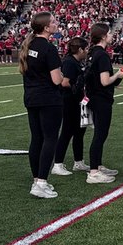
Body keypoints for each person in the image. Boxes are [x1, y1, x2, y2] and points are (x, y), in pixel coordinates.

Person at [18, 10, 63, 199]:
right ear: (46, 27)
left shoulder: (29, 45)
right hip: (48, 99)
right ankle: (41, 182)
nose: (56, 23)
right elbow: (56, 80)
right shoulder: (48, 48)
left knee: (36, 138)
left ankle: (37, 180)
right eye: (53, 21)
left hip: (31, 97)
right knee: (50, 139)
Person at [85, 22, 123, 184]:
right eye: (109, 33)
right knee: (100, 134)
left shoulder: (93, 52)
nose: (111, 36)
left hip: (93, 97)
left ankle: (97, 165)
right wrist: (117, 75)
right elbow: (104, 81)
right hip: (100, 99)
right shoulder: (101, 54)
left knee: (100, 134)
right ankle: (94, 172)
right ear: (103, 36)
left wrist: (115, 81)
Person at [50, 36, 90, 177]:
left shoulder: (75, 62)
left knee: (79, 131)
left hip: (76, 101)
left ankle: (78, 161)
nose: (86, 51)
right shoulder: (69, 62)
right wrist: (77, 87)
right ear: (79, 49)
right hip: (69, 101)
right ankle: (58, 164)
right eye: (85, 49)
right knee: (67, 132)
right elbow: (64, 82)